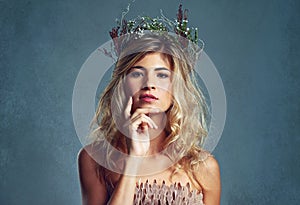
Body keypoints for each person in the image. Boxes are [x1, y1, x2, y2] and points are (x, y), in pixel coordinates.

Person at [78, 5, 221, 205]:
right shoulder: (94, 159)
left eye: (162, 75)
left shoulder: (203, 167)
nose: (149, 85)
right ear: (123, 83)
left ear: (175, 86)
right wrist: (134, 159)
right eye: (137, 73)